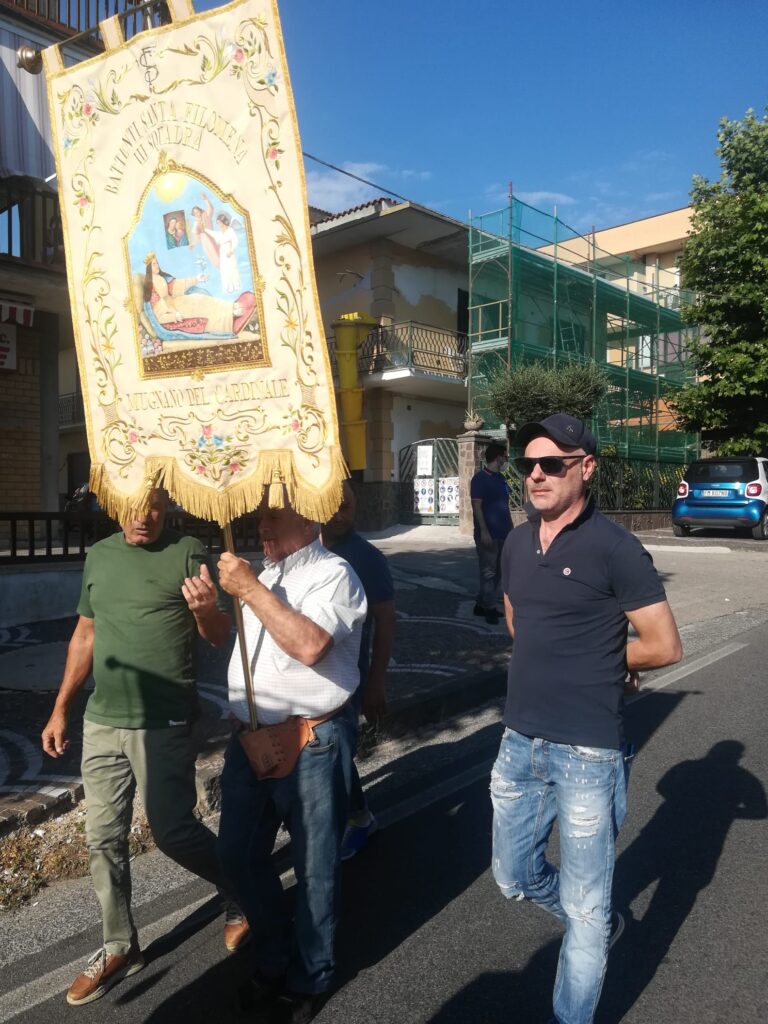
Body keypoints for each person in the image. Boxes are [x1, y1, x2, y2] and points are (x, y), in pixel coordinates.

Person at [490, 413, 682, 1024]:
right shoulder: (518, 542)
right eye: (529, 465)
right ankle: (590, 919)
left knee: (586, 909)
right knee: (512, 875)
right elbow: (518, 616)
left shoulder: (616, 549)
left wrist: (602, 657)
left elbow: (663, 644)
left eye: (554, 464)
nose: (537, 474)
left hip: (587, 754)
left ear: (586, 468)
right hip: (518, 741)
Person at [41, 489, 249, 1007]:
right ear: (113, 503)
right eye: (134, 505)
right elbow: (85, 633)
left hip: (164, 719)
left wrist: (205, 612)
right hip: (102, 719)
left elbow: (220, 634)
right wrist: (61, 707)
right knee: (101, 838)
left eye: (155, 506)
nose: (145, 516)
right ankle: (119, 945)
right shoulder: (99, 555)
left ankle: (242, 891)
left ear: (167, 506)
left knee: (174, 831)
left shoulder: (186, 553)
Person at [216, 494, 367, 1024]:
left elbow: (309, 646)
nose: (260, 526)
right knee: (235, 854)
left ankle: (310, 973)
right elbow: (237, 644)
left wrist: (252, 590)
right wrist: (210, 609)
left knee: (315, 867)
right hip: (249, 739)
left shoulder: (335, 574)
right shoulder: (262, 574)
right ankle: (275, 953)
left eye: (272, 516)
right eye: (258, 517)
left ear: (308, 520)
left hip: (313, 740)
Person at [321, 480, 395, 859]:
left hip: (349, 678)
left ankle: (358, 818)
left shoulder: (366, 558)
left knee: (335, 756)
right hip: (313, 678)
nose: (339, 512)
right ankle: (354, 814)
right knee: (333, 757)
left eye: (346, 506)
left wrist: (377, 682)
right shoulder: (310, 550)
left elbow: (386, 621)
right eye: (332, 504)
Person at [142, 253, 243, 333]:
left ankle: (229, 307)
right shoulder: (150, 286)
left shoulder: (163, 278)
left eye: (157, 263)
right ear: (148, 268)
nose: (157, 266)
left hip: (176, 302)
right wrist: (173, 316)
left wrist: (196, 279)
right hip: (173, 311)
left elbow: (177, 285)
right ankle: (228, 320)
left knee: (198, 298)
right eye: (153, 264)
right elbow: (158, 314)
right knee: (198, 310)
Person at [470, 441, 513, 624]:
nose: (506, 460)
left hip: (504, 532)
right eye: (505, 456)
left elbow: (505, 506)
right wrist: (484, 531)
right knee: (488, 572)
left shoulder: (501, 479)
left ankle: (482, 604)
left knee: (499, 572)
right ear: (498, 457)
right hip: (488, 534)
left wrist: (511, 530)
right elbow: (477, 506)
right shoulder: (480, 479)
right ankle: (490, 608)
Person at [205, 212, 241, 293]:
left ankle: (236, 285)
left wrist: (231, 250)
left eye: (219, 222)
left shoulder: (230, 230)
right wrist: (205, 229)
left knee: (232, 268)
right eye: (217, 223)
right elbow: (213, 234)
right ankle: (229, 287)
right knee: (225, 270)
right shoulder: (220, 233)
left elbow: (235, 240)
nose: (219, 225)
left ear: (223, 221)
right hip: (222, 252)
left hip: (229, 251)